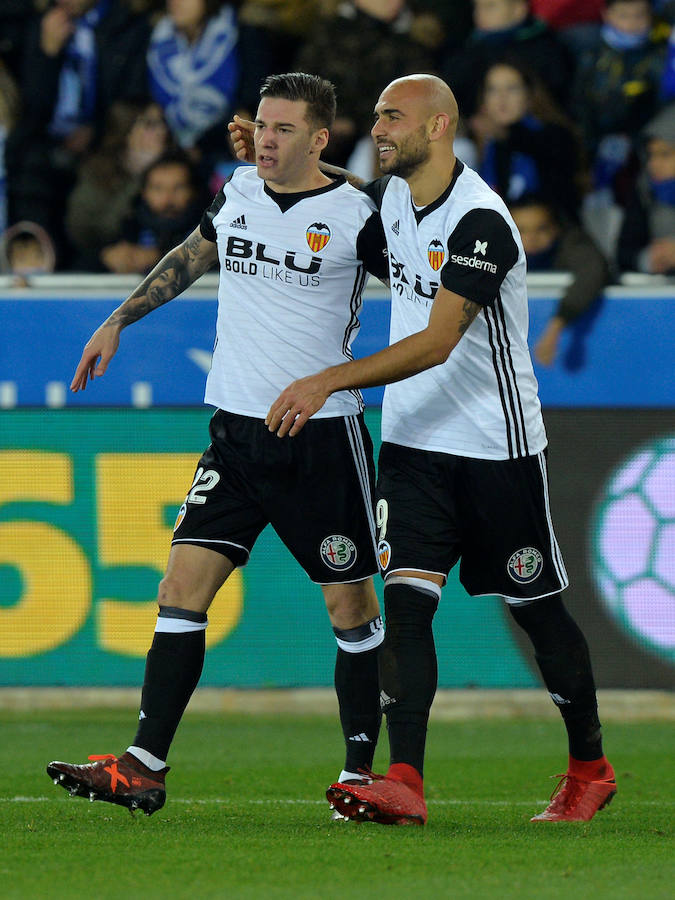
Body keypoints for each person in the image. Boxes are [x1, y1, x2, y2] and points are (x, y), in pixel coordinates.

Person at [260, 74, 616, 826]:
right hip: (415, 444)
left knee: (538, 609)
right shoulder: (393, 199)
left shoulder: (482, 221)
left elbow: (437, 339)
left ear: (440, 126)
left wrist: (329, 379)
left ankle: (588, 765)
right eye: (378, 114)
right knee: (406, 608)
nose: (379, 127)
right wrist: (288, 154)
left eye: (393, 116)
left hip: (494, 449)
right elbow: (352, 192)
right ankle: (403, 782)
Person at [46, 72, 389, 816]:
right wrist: (117, 320)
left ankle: (361, 774)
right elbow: (192, 254)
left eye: (285, 129)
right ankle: (143, 765)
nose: (264, 138)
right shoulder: (237, 191)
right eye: (261, 125)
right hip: (235, 435)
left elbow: (422, 276)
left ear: (321, 141)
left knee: (350, 609)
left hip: (322, 442)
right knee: (178, 591)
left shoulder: (359, 212)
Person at [66, 99, 174, 271]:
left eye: (162, 123)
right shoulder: (97, 171)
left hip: (169, 261)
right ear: (126, 131)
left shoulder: (180, 165)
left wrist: (158, 253)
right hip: (104, 263)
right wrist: (139, 178)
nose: (162, 131)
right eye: (150, 124)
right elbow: (82, 230)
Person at [471, 58, 584, 220]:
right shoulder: (485, 142)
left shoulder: (556, 135)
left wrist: (505, 135)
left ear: (529, 95)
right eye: (492, 90)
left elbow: (561, 199)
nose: (501, 99)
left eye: (512, 89)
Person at [508, 194, 609, 366]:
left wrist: (556, 326)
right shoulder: (494, 251)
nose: (532, 237)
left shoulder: (571, 244)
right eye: (521, 230)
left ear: (555, 229)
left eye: (541, 229)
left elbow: (592, 271)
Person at [100, 151, 207, 274]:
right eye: (157, 188)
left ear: (193, 192)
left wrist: (158, 258)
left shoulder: (211, 230)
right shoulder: (129, 227)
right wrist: (106, 257)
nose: (167, 199)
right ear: (144, 193)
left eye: (178, 188)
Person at [617, 102, 675, 274]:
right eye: (651, 154)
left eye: (665, 154)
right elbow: (624, 254)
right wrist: (648, 259)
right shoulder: (644, 189)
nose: (653, 164)